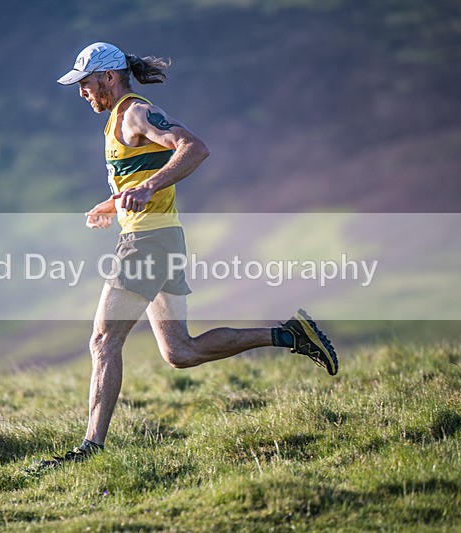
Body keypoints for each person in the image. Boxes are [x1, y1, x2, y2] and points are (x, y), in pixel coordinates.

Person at [36, 42, 337, 468]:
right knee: (181, 352)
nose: (82, 92)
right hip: (162, 240)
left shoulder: (136, 112)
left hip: (147, 243)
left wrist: (148, 188)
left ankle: (90, 449)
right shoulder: (116, 122)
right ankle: (289, 334)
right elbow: (137, 172)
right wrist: (112, 202)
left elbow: (194, 147)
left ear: (108, 77)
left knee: (103, 341)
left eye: (85, 83)